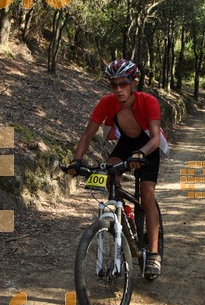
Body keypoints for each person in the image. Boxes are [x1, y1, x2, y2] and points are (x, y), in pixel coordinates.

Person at [67, 59, 168, 279]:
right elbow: (87, 135)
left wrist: (140, 154)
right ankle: (123, 215)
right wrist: (76, 160)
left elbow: (154, 137)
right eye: (114, 85)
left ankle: (153, 253)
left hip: (148, 147)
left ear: (133, 82)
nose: (118, 89)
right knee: (109, 171)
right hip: (125, 145)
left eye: (123, 84)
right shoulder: (106, 103)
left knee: (147, 195)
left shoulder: (147, 101)